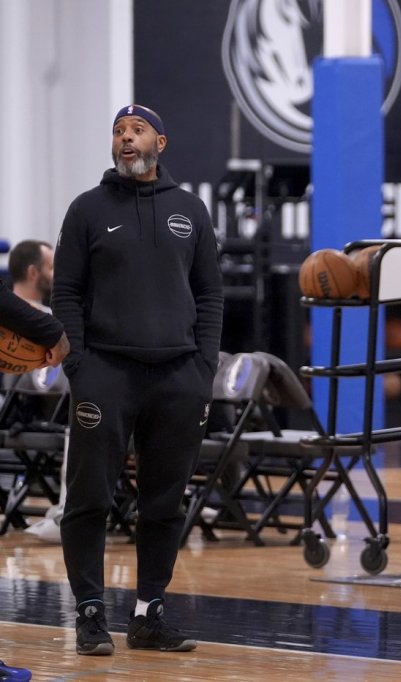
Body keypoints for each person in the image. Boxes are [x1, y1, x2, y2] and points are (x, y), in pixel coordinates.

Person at [52, 104, 223, 656]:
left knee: (165, 503)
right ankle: (90, 612)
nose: (126, 138)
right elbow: (65, 294)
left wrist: (204, 366)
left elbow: (210, 294)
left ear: (160, 143)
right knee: (89, 497)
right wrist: (79, 365)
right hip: (105, 373)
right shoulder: (86, 209)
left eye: (137, 130)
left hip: (178, 376)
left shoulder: (190, 210)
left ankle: (150, 613)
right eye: (119, 132)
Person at [7, 239, 66, 543]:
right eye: (52, 267)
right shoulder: (45, 323)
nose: (57, 274)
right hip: (25, 411)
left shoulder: (50, 318)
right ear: (33, 272)